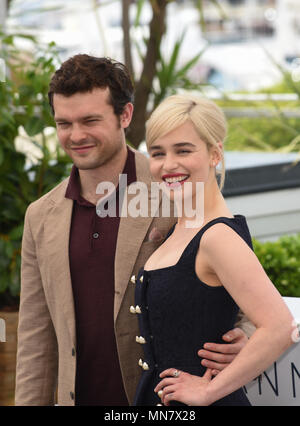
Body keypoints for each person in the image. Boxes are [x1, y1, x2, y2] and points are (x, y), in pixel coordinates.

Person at [16, 55, 251, 406]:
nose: (75, 135)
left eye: (90, 120)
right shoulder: (40, 216)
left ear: (125, 116)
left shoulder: (174, 189)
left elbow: (247, 297)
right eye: (64, 123)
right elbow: (36, 337)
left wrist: (244, 336)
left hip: (164, 404)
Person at [133, 94, 295, 406]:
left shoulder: (217, 235)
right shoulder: (178, 229)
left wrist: (207, 391)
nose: (169, 165)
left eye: (183, 150)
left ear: (214, 153)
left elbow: (279, 327)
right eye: (157, 153)